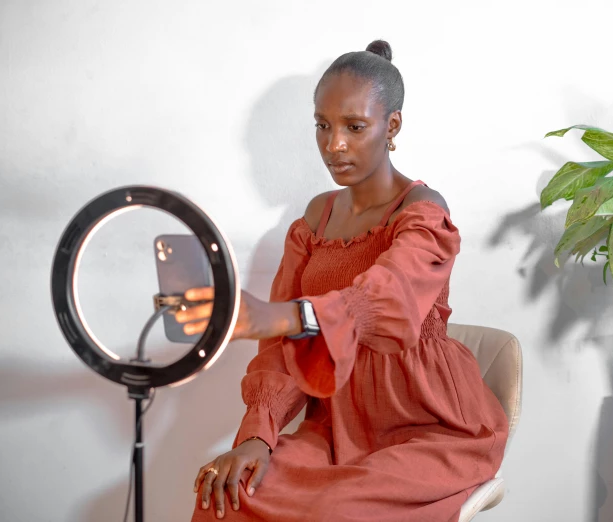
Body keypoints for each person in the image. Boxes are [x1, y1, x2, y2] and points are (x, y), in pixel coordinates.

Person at [179, 40, 509, 522]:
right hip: (335, 424)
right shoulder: (315, 218)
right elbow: (278, 351)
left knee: (334, 510)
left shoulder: (423, 211)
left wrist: (285, 316)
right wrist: (257, 435)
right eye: (323, 125)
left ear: (391, 126)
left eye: (355, 127)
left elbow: (390, 298)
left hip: (429, 427)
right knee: (226, 497)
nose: (335, 144)